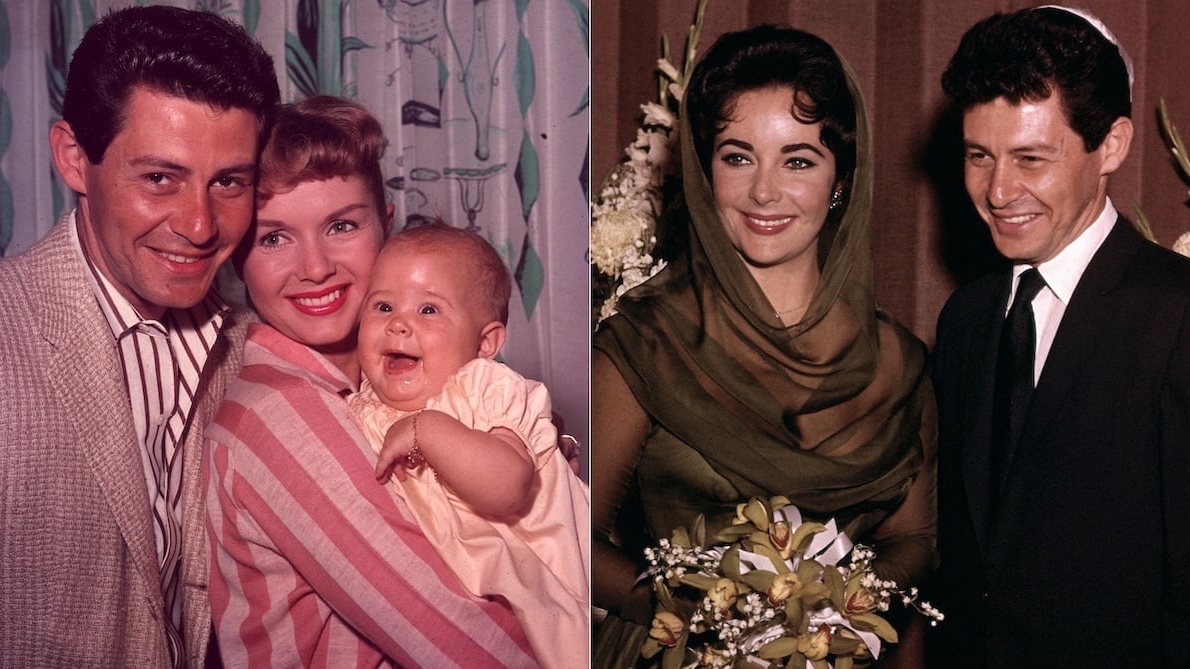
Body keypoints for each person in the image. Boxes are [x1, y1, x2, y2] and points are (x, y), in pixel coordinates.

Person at [591, 25, 937, 667]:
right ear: (702, 171)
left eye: (798, 160)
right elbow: (574, 541)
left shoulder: (900, 364)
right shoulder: (643, 342)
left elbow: (915, 536)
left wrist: (838, 604)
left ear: (841, 181)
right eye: (738, 156)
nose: (764, 192)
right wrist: (693, 608)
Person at [203, 95, 537, 667]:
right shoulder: (281, 413)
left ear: (386, 225)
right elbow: (462, 643)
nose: (315, 268)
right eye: (274, 238)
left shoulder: (383, 387)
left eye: (341, 225)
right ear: (238, 258)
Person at [0, 6, 278, 667]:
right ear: (71, 157)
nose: (201, 224)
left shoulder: (257, 344)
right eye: (159, 178)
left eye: (229, 182)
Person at [930, 7, 1190, 668]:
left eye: (1031, 159)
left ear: (1113, 145)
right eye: (978, 156)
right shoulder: (965, 320)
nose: (997, 190)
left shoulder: (1178, 315)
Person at [347, 224, 590, 669]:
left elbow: (507, 485)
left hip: (534, 592)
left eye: (428, 309)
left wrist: (428, 430)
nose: (399, 323)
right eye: (383, 306)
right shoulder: (360, 403)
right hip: (430, 618)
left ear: (485, 343)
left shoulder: (483, 389)